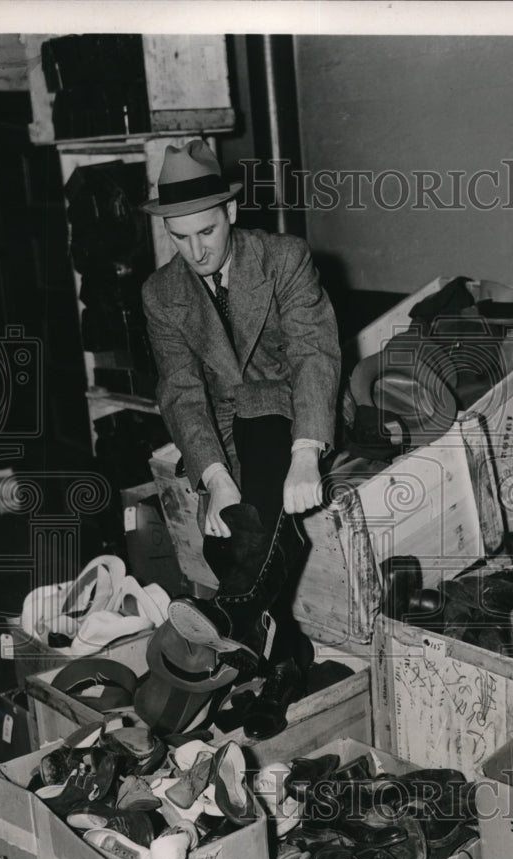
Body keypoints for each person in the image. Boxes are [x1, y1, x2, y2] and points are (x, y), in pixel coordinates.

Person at [140, 139, 340, 680]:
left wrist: (307, 451)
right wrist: (212, 475)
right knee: (226, 538)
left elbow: (312, 354)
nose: (197, 251)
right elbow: (180, 391)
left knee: (261, 459)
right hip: (226, 428)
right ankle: (282, 654)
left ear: (230, 212)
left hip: (288, 411)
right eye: (180, 238)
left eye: (207, 231)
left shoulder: (283, 258)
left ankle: (236, 613)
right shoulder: (160, 293)